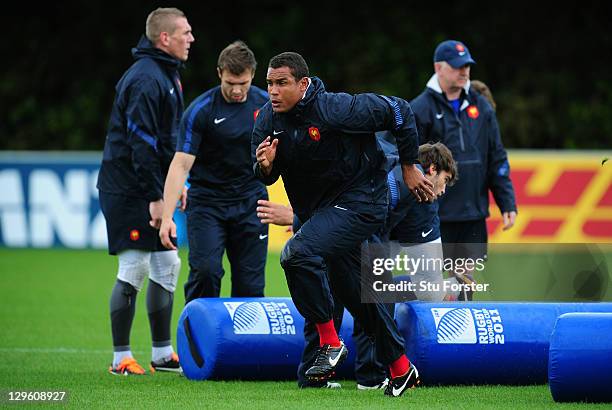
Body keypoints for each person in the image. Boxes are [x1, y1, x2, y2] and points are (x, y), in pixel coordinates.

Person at [252, 52, 434, 397]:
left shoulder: (337, 108)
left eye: (282, 83)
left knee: (295, 254)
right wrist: (265, 166)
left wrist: (410, 165)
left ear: (303, 84)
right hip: (321, 212)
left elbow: (400, 111)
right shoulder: (266, 120)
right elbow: (261, 170)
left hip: (361, 203)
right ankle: (400, 368)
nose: (273, 91)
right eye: (269, 84)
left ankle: (329, 342)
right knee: (356, 294)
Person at [258, 140, 458, 389]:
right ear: (432, 170)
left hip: (346, 229)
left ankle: (320, 376)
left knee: (339, 296)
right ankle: (371, 376)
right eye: (446, 181)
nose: (444, 190)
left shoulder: (404, 182)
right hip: (347, 227)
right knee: (366, 297)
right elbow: (347, 198)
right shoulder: (400, 180)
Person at [96, 7, 194, 376]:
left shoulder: (165, 74)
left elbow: (166, 142)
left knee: (168, 264)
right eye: (184, 32)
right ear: (164, 38)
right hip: (128, 190)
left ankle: (162, 353)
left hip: (149, 186)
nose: (191, 38)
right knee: (135, 265)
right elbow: (140, 143)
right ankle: (121, 359)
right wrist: (156, 197)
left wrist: (174, 187)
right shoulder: (146, 79)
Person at [158, 41, 269, 303]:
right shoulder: (201, 111)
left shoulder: (267, 105)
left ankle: (245, 345)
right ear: (220, 73)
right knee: (206, 273)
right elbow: (180, 164)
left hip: (252, 202)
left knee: (250, 285)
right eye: (231, 82)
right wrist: (166, 218)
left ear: (252, 74)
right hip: (208, 204)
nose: (237, 90)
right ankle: (194, 344)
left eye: (243, 82)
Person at [410, 40, 517, 300]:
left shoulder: (481, 107)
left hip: (472, 211)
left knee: (465, 280)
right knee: (432, 285)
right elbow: (409, 162)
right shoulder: (420, 109)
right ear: (439, 68)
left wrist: (507, 202)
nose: (464, 71)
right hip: (434, 213)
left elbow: (496, 156)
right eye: (458, 66)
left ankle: (464, 334)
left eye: (467, 66)